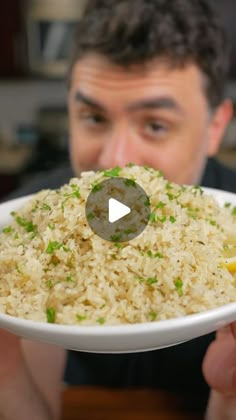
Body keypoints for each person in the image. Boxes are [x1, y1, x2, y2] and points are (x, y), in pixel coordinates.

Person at [1, 0, 236, 418]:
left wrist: (229, 396)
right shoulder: (29, 234)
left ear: (216, 125)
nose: (116, 160)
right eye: (93, 117)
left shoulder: (226, 230)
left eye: (155, 125)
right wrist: (6, 370)